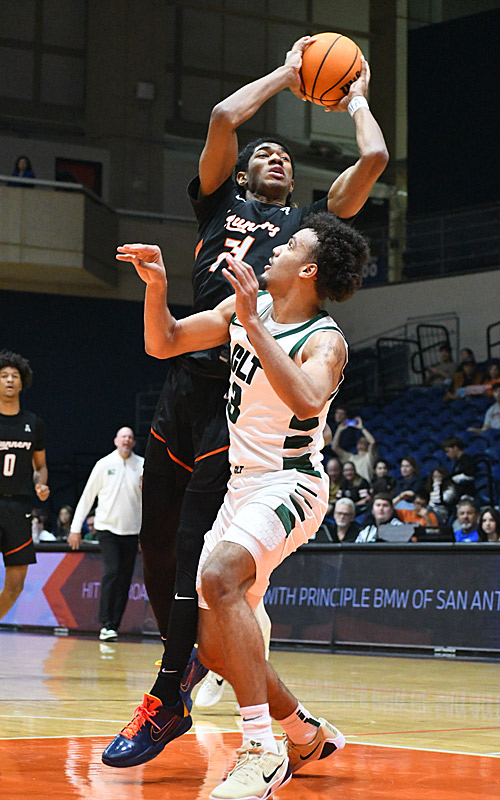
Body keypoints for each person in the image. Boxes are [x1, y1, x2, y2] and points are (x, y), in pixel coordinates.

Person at [115, 32, 388, 746]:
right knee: (159, 549)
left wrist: (353, 96)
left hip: (241, 396)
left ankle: (175, 694)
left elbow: (373, 162)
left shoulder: (306, 232)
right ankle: (232, 685)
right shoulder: (217, 206)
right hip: (191, 365)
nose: (275, 155)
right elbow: (221, 118)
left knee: (204, 563)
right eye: (265, 152)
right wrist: (289, 74)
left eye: (287, 156)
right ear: (243, 173)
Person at [102, 212, 369, 798]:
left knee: (220, 578)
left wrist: (253, 323)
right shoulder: (242, 313)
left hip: (291, 486)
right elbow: (163, 341)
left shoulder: (324, 339)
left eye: (290, 244)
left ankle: (261, 751)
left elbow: (305, 400)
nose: (273, 247)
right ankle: (303, 732)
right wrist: (157, 288)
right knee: (216, 645)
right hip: (241, 487)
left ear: (308, 269)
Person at [68, 427, 143, 641]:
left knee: (125, 577)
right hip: (107, 528)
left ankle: (114, 625)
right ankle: (106, 622)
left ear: (134, 442)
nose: (127, 440)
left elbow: (150, 501)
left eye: (130, 437)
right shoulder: (103, 464)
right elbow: (87, 496)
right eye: (123, 437)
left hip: (132, 530)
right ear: (116, 440)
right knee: (112, 571)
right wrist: (75, 528)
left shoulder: (142, 465)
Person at [0, 350, 50, 620]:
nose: (9, 380)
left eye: (14, 376)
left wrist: (40, 484)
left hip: (19, 508)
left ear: (22, 383)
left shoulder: (34, 424)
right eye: (4, 375)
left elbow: (40, 467)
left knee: (16, 585)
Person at [332, 416, 376, 481]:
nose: (361, 443)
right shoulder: (350, 457)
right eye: (359, 441)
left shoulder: (369, 457)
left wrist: (362, 428)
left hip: (365, 487)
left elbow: (372, 442)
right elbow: (334, 447)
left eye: (363, 442)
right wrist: (339, 430)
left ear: (367, 445)